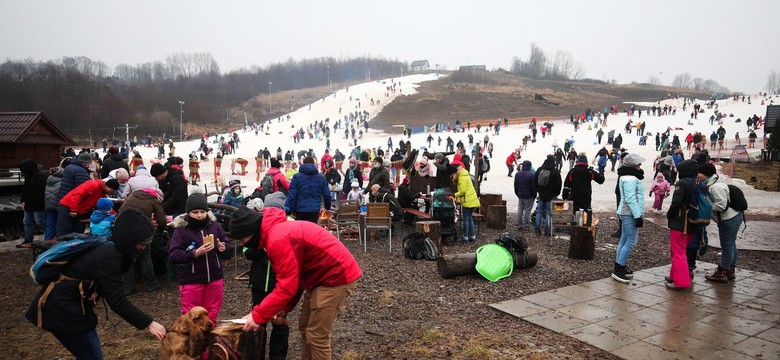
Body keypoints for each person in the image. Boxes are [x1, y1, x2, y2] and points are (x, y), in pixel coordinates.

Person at [231, 193, 362, 360]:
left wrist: (257, 316)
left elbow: (286, 286)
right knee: (305, 326)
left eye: (241, 239)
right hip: (319, 278)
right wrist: (285, 308)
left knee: (317, 335)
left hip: (335, 276)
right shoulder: (274, 232)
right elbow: (295, 277)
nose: (242, 244)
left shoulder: (277, 238)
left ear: (250, 231)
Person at [26, 209, 167, 359]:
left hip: (74, 310)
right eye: (141, 243)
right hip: (61, 311)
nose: (143, 247)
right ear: (128, 238)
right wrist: (149, 323)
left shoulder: (109, 247)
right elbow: (117, 301)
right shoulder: (108, 256)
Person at [230, 204, 290, 360]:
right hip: (259, 283)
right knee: (258, 323)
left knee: (279, 324)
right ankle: (257, 354)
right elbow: (247, 252)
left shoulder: (281, 232)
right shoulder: (254, 233)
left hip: (277, 285)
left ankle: (278, 356)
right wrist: (259, 247)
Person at [168, 193, 232, 324]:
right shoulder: (181, 230)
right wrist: (195, 253)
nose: (199, 215)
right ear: (188, 213)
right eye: (195, 212)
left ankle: (209, 336)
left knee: (212, 313)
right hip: (192, 280)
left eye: (203, 211)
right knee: (191, 316)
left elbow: (227, 246)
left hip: (215, 278)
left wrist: (223, 248)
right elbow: (173, 255)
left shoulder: (215, 226)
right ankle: (192, 337)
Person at [700, 163, 744, 283]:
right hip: (733, 216)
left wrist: (706, 206)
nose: (697, 175)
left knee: (727, 246)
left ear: (706, 174)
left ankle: (722, 272)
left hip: (729, 219)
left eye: (699, 173)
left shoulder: (716, 187)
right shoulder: (714, 183)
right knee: (731, 244)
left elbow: (721, 206)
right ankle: (730, 270)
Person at [120, 188, 166, 294]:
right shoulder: (154, 200)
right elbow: (162, 221)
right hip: (141, 229)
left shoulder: (133, 195)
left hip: (123, 228)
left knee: (128, 257)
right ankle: (151, 284)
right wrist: (159, 232)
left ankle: (127, 287)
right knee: (145, 257)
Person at [665, 160, 699, 291]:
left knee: (678, 252)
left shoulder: (682, 183)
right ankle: (675, 275)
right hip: (693, 222)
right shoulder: (697, 183)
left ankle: (681, 282)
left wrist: (669, 214)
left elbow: (676, 203)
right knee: (679, 250)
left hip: (680, 223)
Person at [612, 153, 645, 283]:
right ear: (632, 164)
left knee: (624, 239)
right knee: (631, 241)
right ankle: (619, 269)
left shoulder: (627, 176)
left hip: (626, 212)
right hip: (629, 213)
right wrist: (638, 216)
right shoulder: (630, 178)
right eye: (638, 163)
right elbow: (631, 198)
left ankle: (620, 265)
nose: (640, 164)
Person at [286, 156, 331, 223]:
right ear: (313, 164)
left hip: (300, 209)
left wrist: (289, 209)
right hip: (314, 209)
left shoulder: (297, 177)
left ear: (303, 163)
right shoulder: (321, 177)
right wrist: (327, 207)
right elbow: (327, 195)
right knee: (312, 228)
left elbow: (292, 195)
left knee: (300, 228)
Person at [18, 159, 48, 248]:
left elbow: (41, 192)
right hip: (30, 204)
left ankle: (51, 237)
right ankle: (28, 240)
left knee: (40, 222)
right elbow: (25, 190)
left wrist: (26, 201)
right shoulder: (29, 176)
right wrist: (23, 201)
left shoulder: (40, 176)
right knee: (27, 221)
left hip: (37, 204)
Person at [452, 158, 480, 243]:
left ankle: (465, 237)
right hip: (471, 199)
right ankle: (472, 236)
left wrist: (454, 195)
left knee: (466, 219)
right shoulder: (464, 174)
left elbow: (462, 191)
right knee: (469, 218)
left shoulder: (462, 177)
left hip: (468, 201)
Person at [534, 155, 562, 236]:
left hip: (541, 194)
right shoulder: (555, 171)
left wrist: (538, 190)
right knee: (549, 213)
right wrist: (556, 193)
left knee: (539, 212)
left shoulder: (539, 169)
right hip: (551, 195)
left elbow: (535, 181)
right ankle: (547, 231)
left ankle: (537, 230)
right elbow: (558, 184)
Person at [514, 160, 536, 231]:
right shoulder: (532, 174)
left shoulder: (518, 174)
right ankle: (526, 225)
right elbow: (533, 187)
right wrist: (534, 195)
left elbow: (516, 185)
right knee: (527, 211)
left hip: (520, 194)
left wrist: (517, 193)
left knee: (520, 209)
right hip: (529, 196)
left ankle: (519, 224)